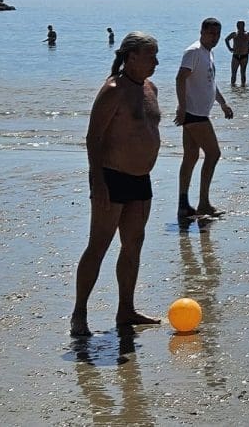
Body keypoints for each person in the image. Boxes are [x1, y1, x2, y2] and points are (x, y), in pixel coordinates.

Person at [71, 32, 163, 337]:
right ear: (131, 57)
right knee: (99, 245)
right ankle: (79, 314)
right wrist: (97, 183)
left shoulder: (150, 88)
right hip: (112, 177)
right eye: (150, 56)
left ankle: (126, 309)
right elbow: (93, 137)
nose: (156, 62)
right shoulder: (113, 90)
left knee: (133, 245)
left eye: (156, 55)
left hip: (141, 179)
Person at [175, 18, 234, 220]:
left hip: (200, 113)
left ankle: (183, 205)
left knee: (191, 157)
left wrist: (223, 103)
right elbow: (180, 78)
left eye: (217, 34)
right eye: (210, 34)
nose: (214, 38)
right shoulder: (193, 52)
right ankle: (204, 203)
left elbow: (210, 83)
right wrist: (182, 107)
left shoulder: (208, 53)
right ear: (202, 32)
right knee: (213, 154)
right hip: (194, 114)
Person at [224, 20, 249, 87]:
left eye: (240, 25)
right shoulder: (234, 34)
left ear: (243, 25)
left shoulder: (248, 34)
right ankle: (233, 88)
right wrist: (229, 48)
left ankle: (243, 87)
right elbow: (226, 39)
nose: (238, 26)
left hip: (244, 55)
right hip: (235, 55)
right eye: (238, 25)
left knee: (243, 73)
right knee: (233, 73)